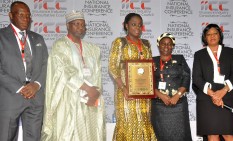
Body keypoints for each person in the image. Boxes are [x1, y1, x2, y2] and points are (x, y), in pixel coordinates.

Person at [41, 11, 105, 141]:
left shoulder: (92, 48)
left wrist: (95, 93)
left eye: (82, 24)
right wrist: (87, 88)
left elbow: (97, 73)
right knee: (69, 133)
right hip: (69, 97)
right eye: (76, 24)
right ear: (68, 25)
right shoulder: (60, 45)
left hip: (89, 98)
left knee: (90, 133)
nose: (80, 27)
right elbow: (64, 70)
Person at [0, 1, 48, 141]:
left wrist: (36, 84)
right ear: (10, 15)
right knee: (6, 137)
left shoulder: (38, 38)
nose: (26, 19)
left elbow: (46, 64)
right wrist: (20, 87)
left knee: (34, 137)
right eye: (21, 15)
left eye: (28, 15)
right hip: (10, 97)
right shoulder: (2, 36)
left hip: (35, 96)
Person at [108, 13, 156, 141]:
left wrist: (152, 68)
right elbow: (112, 67)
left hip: (144, 94)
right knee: (128, 124)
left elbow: (149, 65)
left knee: (144, 123)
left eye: (140, 25)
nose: (137, 28)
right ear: (126, 25)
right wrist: (123, 88)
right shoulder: (120, 42)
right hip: (126, 93)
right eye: (134, 24)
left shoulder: (146, 44)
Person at [192, 24, 233, 141]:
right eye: (208, 34)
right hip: (207, 98)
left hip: (227, 96)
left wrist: (222, 91)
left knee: (229, 134)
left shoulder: (230, 52)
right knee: (212, 135)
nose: (212, 36)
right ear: (205, 38)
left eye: (215, 33)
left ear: (220, 35)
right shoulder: (199, 55)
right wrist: (213, 94)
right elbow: (196, 78)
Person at [151, 32, 192, 141]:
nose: (166, 46)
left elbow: (186, 77)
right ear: (158, 45)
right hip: (159, 105)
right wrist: (161, 96)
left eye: (169, 44)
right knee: (161, 136)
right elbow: (148, 82)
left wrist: (177, 95)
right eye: (163, 43)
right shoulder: (152, 61)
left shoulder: (180, 59)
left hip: (178, 104)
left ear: (173, 46)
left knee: (181, 135)